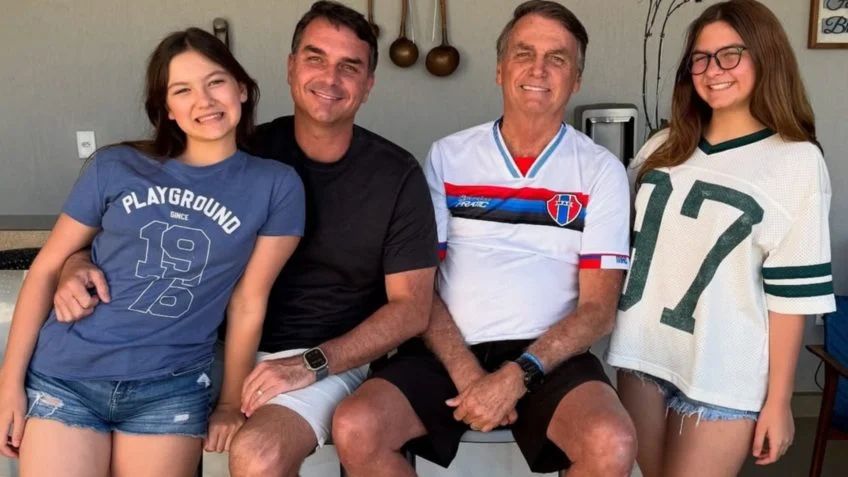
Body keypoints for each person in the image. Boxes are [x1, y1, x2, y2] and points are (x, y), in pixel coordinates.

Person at [49, 2, 439, 476]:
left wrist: (312, 362)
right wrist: (76, 260)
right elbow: (141, 214)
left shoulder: (396, 175)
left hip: (320, 355)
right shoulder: (236, 147)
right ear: (290, 67)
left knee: (259, 454)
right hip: (203, 347)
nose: (330, 78)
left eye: (350, 67)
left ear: (369, 84)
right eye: (315, 58)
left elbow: (411, 308)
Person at [332, 2, 637, 476]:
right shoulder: (448, 156)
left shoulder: (601, 171)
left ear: (576, 79)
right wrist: (468, 373)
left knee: (612, 442)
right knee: (356, 426)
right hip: (447, 348)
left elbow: (598, 309)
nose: (538, 69)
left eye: (557, 58)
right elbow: (419, 286)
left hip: (548, 357)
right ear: (499, 69)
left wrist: (518, 374)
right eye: (524, 53)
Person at [0, 28, 305, 477]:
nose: (204, 100)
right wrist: (8, 384)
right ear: (167, 109)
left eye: (216, 81)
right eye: (183, 90)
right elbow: (46, 267)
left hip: (170, 386)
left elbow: (247, 301)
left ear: (242, 88)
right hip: (67, 375)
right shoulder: (115, 166)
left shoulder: (276, 185)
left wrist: (228, 403)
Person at [605, 1, 836, 476]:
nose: (714, 70)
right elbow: (614, 240)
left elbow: (791, 296)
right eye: (701, 58)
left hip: (724, 369)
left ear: (766, 57)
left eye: (731, 54)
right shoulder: (662, 145)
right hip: (642, 353)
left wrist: (779, 400)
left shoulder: (797, 161)